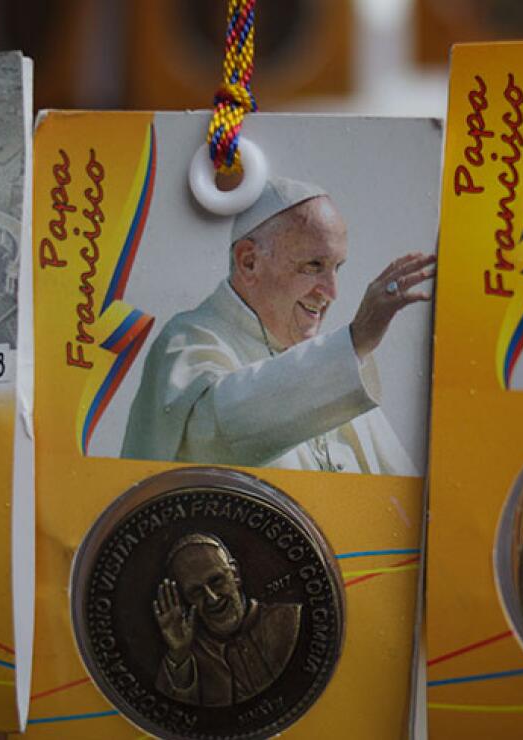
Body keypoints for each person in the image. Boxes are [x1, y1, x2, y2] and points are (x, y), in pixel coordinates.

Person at [122, 177, 432, 473]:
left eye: (337, 268)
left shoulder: (336, 364)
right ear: (249, 262)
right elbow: (211, 436)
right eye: (314, 266)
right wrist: (355, 340)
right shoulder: (189, 339)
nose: (332, 293)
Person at [153, 533, 301, 707]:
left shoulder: (292, 620)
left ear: (235, 574)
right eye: (196, 592)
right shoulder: (187, 659)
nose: (212, 598)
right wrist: (178, 654)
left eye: (216, 581)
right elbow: (171, 715)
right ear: (186, 599)